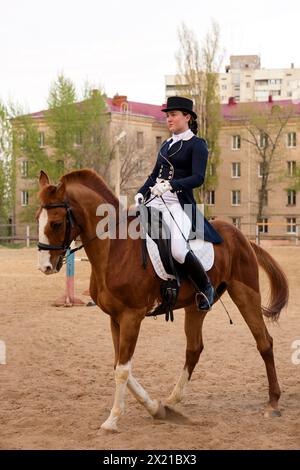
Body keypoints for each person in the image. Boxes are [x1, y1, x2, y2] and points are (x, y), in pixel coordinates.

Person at [134, 96, 223, 311]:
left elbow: (198, 178)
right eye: (167, 115)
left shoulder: (197, 144)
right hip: (155, 203)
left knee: (178, 250)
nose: (169, 119)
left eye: (173, 115)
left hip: (179, 206)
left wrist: (172, 185)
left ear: (187, 117)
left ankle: (206, 288)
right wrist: (140, 193)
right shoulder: (166, 145)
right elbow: (154, 175)